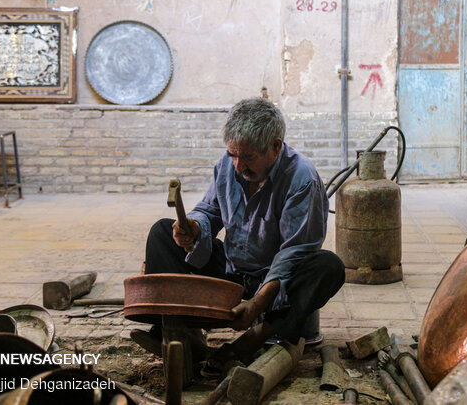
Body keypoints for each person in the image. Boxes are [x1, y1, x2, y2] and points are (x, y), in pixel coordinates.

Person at [131, 97, 345, 374]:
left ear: (275, 147)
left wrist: (257, 305)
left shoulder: (302, 178)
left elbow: (294, 253)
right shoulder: (228, 165)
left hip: (273, 284)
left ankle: (251, 341)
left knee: (328, 267)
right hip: (232, 275)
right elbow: (208, 211)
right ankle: (181, 332)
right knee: (162, 232)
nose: (238, 166)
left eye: (248, 157)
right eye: (233, 155)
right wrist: (194, 228)